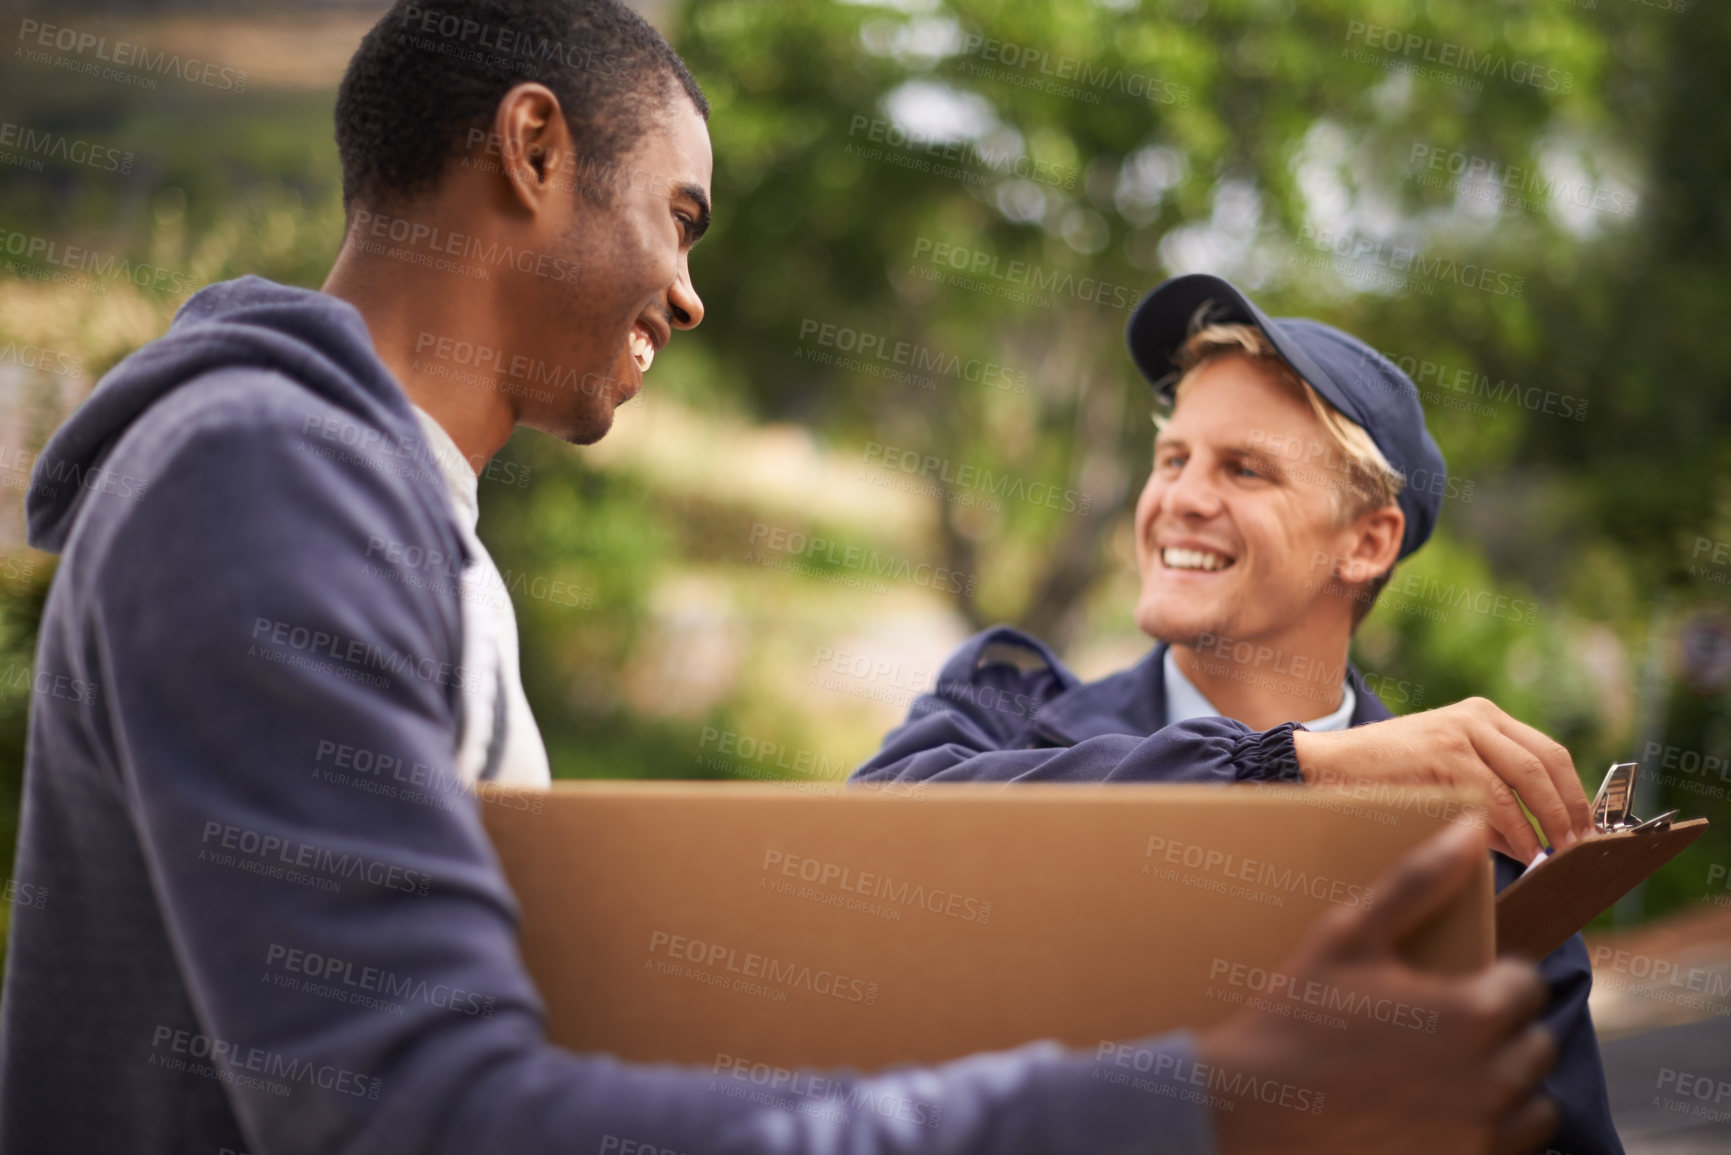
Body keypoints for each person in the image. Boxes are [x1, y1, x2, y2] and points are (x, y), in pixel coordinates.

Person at [0, 4, 1559, 1153]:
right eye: (677, 216)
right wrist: (1199, 1100)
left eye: (1247, 466)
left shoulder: (398, 514)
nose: (686, 291)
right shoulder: (266, 470)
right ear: (535, 149)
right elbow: (425, 1114)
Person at [852, 273, 1621, 1153]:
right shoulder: (1002, 703)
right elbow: (873, 836)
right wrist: (1284, 767)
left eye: (1243, 468)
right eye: (1172, 458)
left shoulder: (1479, 848)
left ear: (1364, 543)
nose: (1178, 496)